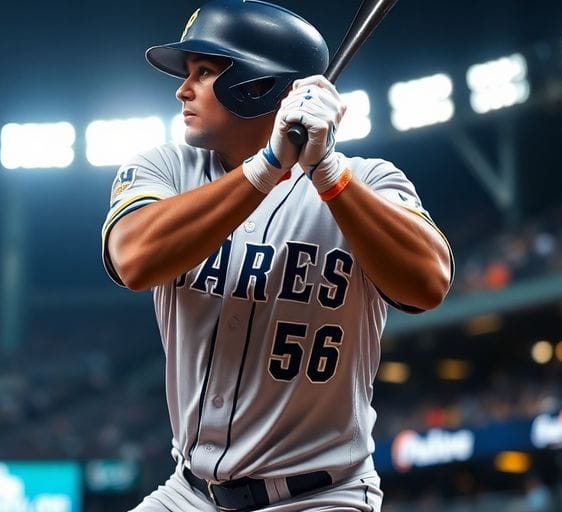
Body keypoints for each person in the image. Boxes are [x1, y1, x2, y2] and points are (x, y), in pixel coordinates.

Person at [100, 1, 454, 510]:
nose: (183, 89)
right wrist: (265, 166)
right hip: (188, 493)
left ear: (257, 86)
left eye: (204, 72)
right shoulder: (167, 169)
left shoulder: (368, 181)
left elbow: (428, 284)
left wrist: (329, 174)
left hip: (322, 496)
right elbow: (134, 259)